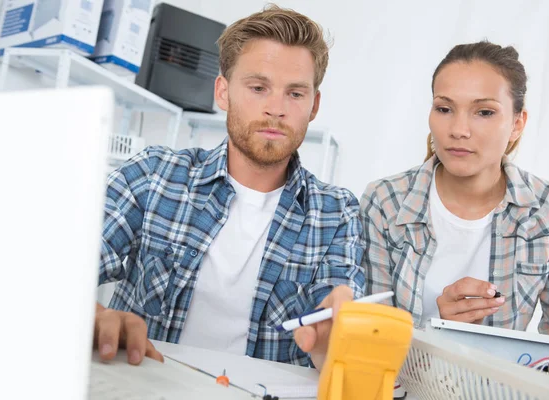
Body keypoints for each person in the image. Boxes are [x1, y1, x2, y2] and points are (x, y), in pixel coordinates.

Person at [93, 5, 365, 369]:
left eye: (295, 94)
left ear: (314, 106)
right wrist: (91, 315)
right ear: (223, 92)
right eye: (258, 87)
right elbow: (58, 265)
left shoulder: (337, 213)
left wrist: (335, 334)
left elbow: (334, 319)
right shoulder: (153, 175)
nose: (276, 108)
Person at [361, 41, 549, 337]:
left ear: (517, 123)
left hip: (501, 384)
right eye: (444, 108)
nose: (458, 130)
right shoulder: (384, 202)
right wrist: (438, 331)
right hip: (401, 383)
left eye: (484, 112)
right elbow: (368, 338)